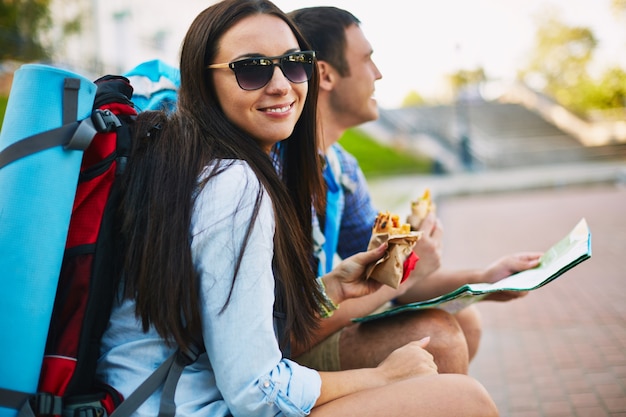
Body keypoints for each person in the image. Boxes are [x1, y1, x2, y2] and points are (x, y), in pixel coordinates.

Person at [95, 0, 499, 416]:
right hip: (189, 406)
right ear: (204, 81)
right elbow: (256, 391)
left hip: (164, 397)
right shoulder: (232, 185)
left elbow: (237, 329)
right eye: (252, 68)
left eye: (293, 63)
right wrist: (384, 377)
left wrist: (332, 290)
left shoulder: (191, 163)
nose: (281, 84)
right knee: (463, 400)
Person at [289, 6, 542, 373]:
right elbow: (282, 332)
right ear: (325, 74)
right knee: (437, 337)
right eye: (367, 59)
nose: (378, 73)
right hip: (281, 351)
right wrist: (405, 273)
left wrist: (485, 279)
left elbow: (390, 277)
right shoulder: (278, 170)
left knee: (463, 320)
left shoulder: (342, 168)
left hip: (318, 325)